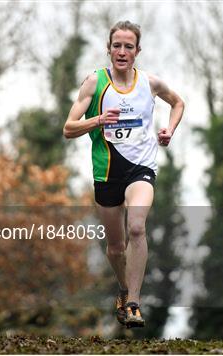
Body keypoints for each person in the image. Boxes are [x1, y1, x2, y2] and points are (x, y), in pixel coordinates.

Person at [63, 20, 184, 328]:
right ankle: (122, 289)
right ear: (109, 49)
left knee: (138, 227)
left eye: (128, 46)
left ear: (137, 51)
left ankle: (133, 303)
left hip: (141, 168)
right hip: (106, 172)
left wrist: (170, 129)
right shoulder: (95, 82)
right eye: (117, 45)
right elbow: (68, 128)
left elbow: (178, 103)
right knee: (116, 247)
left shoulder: (150, 83)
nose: (122, 51)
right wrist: (98, 120)